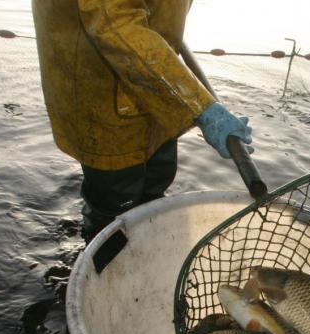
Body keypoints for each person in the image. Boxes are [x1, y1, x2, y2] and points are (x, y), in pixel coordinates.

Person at [32, 0, 252, 242]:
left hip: (159, 91)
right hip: (100, 94)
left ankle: (146, 251)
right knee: (113, 206)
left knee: (155, 190)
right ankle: (100, 255)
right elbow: (114, 22)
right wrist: (200, 106)